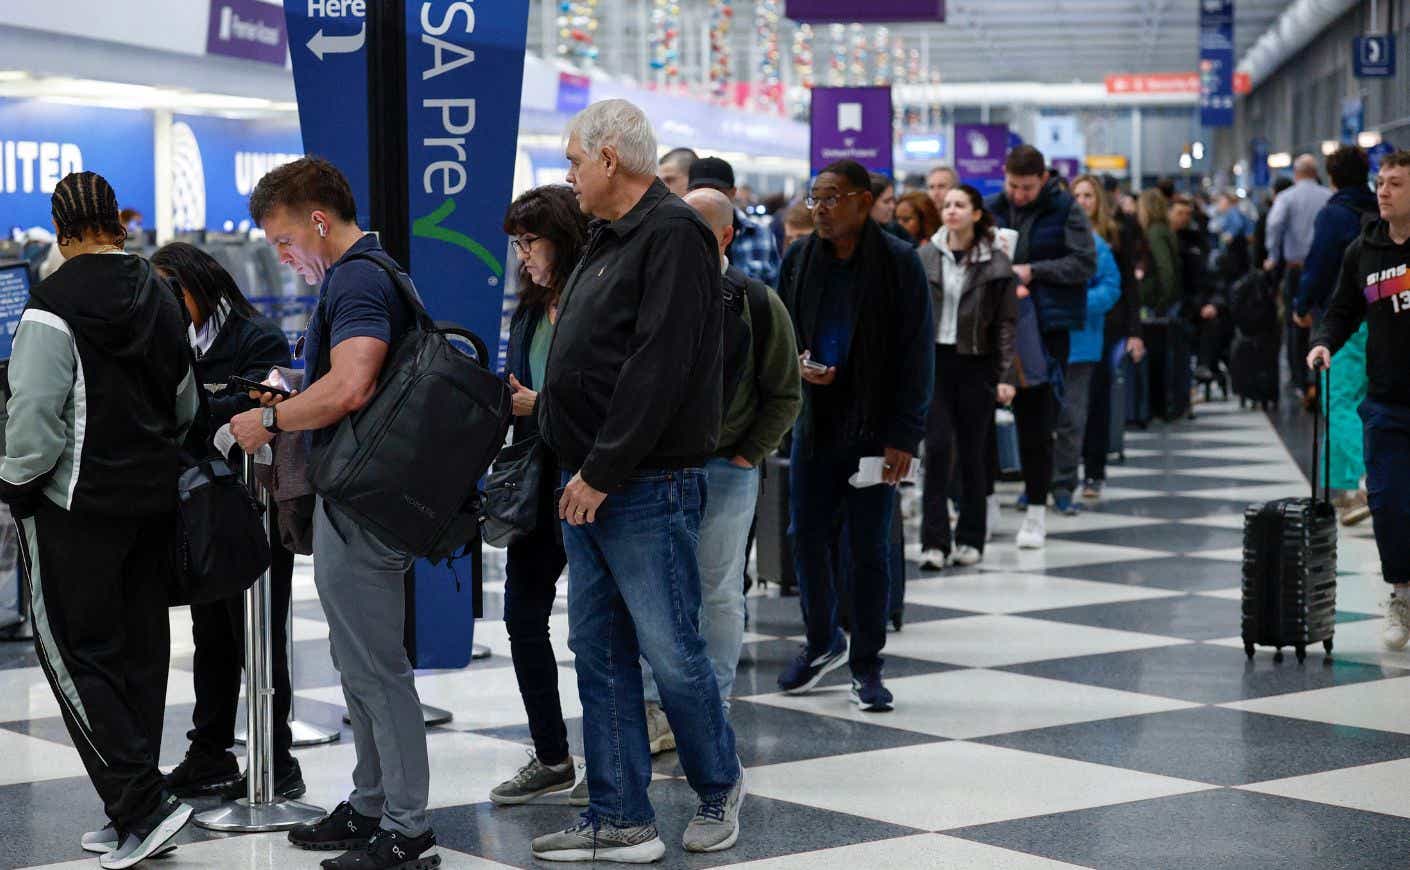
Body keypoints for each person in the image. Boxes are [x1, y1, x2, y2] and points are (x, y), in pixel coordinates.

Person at [531, 99, 743, 863]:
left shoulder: (675, 234)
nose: (570, 176)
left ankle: (718, 786)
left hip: (640, 484)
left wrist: (601, 469)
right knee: (598, 650)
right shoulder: (606, 236)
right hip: (587, 482)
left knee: (672, 651)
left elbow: (659, 367)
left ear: (610, 160)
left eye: (573, 162)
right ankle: (621, 814)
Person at [231, 157, 437, 870]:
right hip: (363, 493)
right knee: (356, 664)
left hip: (366, 501)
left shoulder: (355, 276)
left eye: (285, 242)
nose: (285, 259)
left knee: (377, 668)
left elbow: (352, 386)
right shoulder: (372, 272)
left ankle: (408, 830)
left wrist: (274, 420)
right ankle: (373, 802)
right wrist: (292, 384)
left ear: (319, 221)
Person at [1, 171, 200, 867]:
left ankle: (144, 806)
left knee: (76, 657)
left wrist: (15, 484)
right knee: (140, 652)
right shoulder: (161, 293)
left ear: (60, 231)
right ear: (117, 221)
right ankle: (132, 811)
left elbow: (31, 419)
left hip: (74, 510)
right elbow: (184, 399)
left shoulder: (50, 304)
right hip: (153, 502)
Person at [640, 187, 802, 745]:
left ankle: (711, 706)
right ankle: (657, 707)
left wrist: (746, 453)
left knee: (717, 589)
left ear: (725, 236)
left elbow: (785, 391)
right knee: (656, 589)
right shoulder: (652, 292)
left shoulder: (757, 301)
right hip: (656, 468)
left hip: (726, 469)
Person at [775, 159, 934, 710]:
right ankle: (822, 641)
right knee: (805, 536)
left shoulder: (898, 263)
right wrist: (796, 364)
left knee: (867, 548)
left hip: (874, 428)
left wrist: (904, 437)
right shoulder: (798, 259)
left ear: (864, 202)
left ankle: (867, 663)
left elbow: (917, 354)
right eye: (815, 198)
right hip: (814, 423)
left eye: (832, 198)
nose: (820, 209)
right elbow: (782, 335)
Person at [150, 243, 304, 803]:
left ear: (196, 283)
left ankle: (276, 755)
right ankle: (209, 750)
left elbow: (259, 414)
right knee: (209, 632)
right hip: (197, 509)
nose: (165, 305)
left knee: (256, 633)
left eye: (173, 292)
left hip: (251, 510)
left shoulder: (255, 337)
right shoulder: (167, 340)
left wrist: (208, 414)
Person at [488, 185, 589, 807]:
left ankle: (616, 760)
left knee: (603, 630)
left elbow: (617, 396)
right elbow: (520, 389)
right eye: (517, 244)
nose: (523, 255)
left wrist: (539, 405)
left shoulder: (597, 298)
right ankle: (551, 754)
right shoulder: (529, 310)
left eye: (532, 241)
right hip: (536, 480)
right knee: (523, 616)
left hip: (598, 479)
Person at [1307, 149, 1410, 652]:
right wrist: (1323, 340)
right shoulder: (1363, 250)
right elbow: (1342, 308)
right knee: (1388, 503)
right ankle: (1402, 596)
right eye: (1381, 182)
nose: (1384, 192)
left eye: (1396, 184)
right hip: (1387, 402)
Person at [987, 144, 1096, 548]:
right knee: (981, 417)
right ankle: (985, 501)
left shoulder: (1066, 209)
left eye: (1027, 187)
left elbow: (1084, 263)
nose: (1018, 194)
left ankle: (1036, 509)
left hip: (1047, 326)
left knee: (1038, 420)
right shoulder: (991, 205)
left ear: (1044, 180)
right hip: (993, 324)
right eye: (1013, 185)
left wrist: (1033, 271)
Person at [917, 184, 1016, 568]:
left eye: (960, 205)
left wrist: (1005, 374)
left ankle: (971, 537)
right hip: (936, 361)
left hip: (976, 361)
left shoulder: (996, 262)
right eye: (946, 205)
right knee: (937, 449)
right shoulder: (925, 255)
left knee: (974, 453)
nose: (951, 211)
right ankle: (934, 542)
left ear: (976, 213)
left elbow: (1006, 324)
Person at [1293, 146, 1378, 524]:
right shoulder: (1378, 211)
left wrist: (1301, 303)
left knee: (1338, 400)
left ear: (1332, 177)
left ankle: (1366, 479)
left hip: (1343, 319)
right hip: (1380, 315)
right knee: (1360, 398)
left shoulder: (1334, 215)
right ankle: (1346, 488)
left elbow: (1319, 263)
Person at [1071, 174, 1142, 500]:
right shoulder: (1064, 234)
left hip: (1107, 327)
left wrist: (1133, 332)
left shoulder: (1114, 235)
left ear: (1098, 199)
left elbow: (1128, 285)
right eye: (1078, 195)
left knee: (1097, 401)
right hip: (1072, 330)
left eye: (1089, 195)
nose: (1083, 201)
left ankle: (1094, 471)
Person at [1051, 209, 1122, 514]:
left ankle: (1064, 484)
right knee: (1038, 419)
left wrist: (1076, 306)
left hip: (1081, 344)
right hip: (1042, 342)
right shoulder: (1044, 246)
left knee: (1071, 418)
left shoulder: (1095, 245)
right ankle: (1035, 483)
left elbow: (1111, 288)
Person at [1266, 154, 1332, 400]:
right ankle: (1321, 377)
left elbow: (1274, 225)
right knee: (1325, 323)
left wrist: (1273, 254)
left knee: (1295, 323)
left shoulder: (1286, 197)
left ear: (1296, 174)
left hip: (1295, 268)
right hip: (1326, 270)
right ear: (1316, 173)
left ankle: (1299, 380)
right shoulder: (1328, 197)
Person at [690, 156, 781, 286]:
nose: (708, 198)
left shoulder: (760, 234)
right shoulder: (677, 234)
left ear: (733, 193)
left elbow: (774, 290)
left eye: (716, 190)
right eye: (700, 190)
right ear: (689, 193)